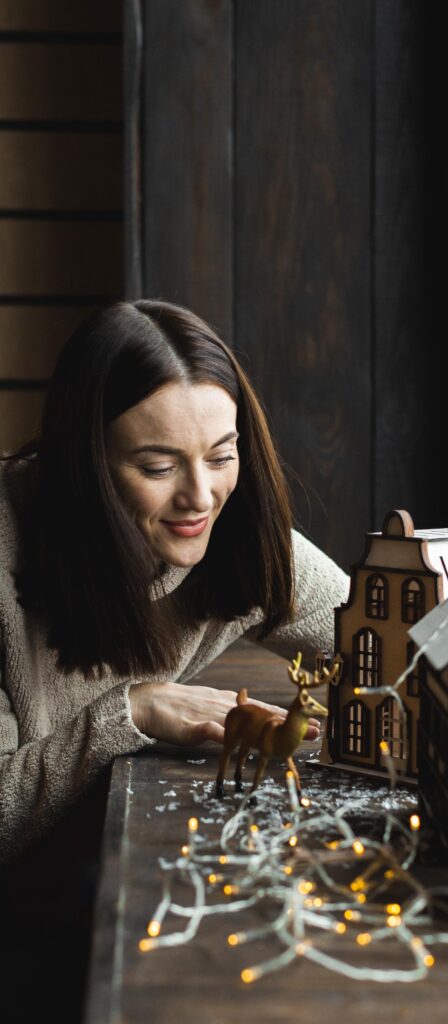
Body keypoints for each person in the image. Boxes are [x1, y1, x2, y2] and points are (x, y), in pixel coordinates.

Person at [0, 299, 350, 865]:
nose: (200, 496)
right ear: (82, 464)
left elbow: (385, 633)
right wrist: (132, 711)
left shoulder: (238, 532)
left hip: (116, 861)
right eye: (159, 468)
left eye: (221, 456)